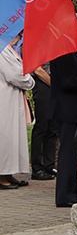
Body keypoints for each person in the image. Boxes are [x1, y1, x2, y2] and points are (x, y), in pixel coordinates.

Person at [50, 14, 77, 207]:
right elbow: (68, 82)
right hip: (67, 109)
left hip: (74, 107)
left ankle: (72, 192)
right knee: (67, 153)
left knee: (73, 154)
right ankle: (65, 195)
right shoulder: (63, 49)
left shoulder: (74, 48)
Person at [0, 34, 34, 189]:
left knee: (13, 137)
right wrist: (29, 80)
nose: (19, 37)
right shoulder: (2, 51)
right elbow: (15, 75)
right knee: (5, 137)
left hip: (12, 99)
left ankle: (8, 172)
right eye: (17, 34)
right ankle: (1, 175)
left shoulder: (9, 50)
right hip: (5, 100)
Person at [29, 62, 56, 180]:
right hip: (43, 85)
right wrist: (54, 85)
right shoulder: (35, 46)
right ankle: (37, 167)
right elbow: (37, 70)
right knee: (42, 126)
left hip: (53, 85)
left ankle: (48, 164)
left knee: (53, 127)